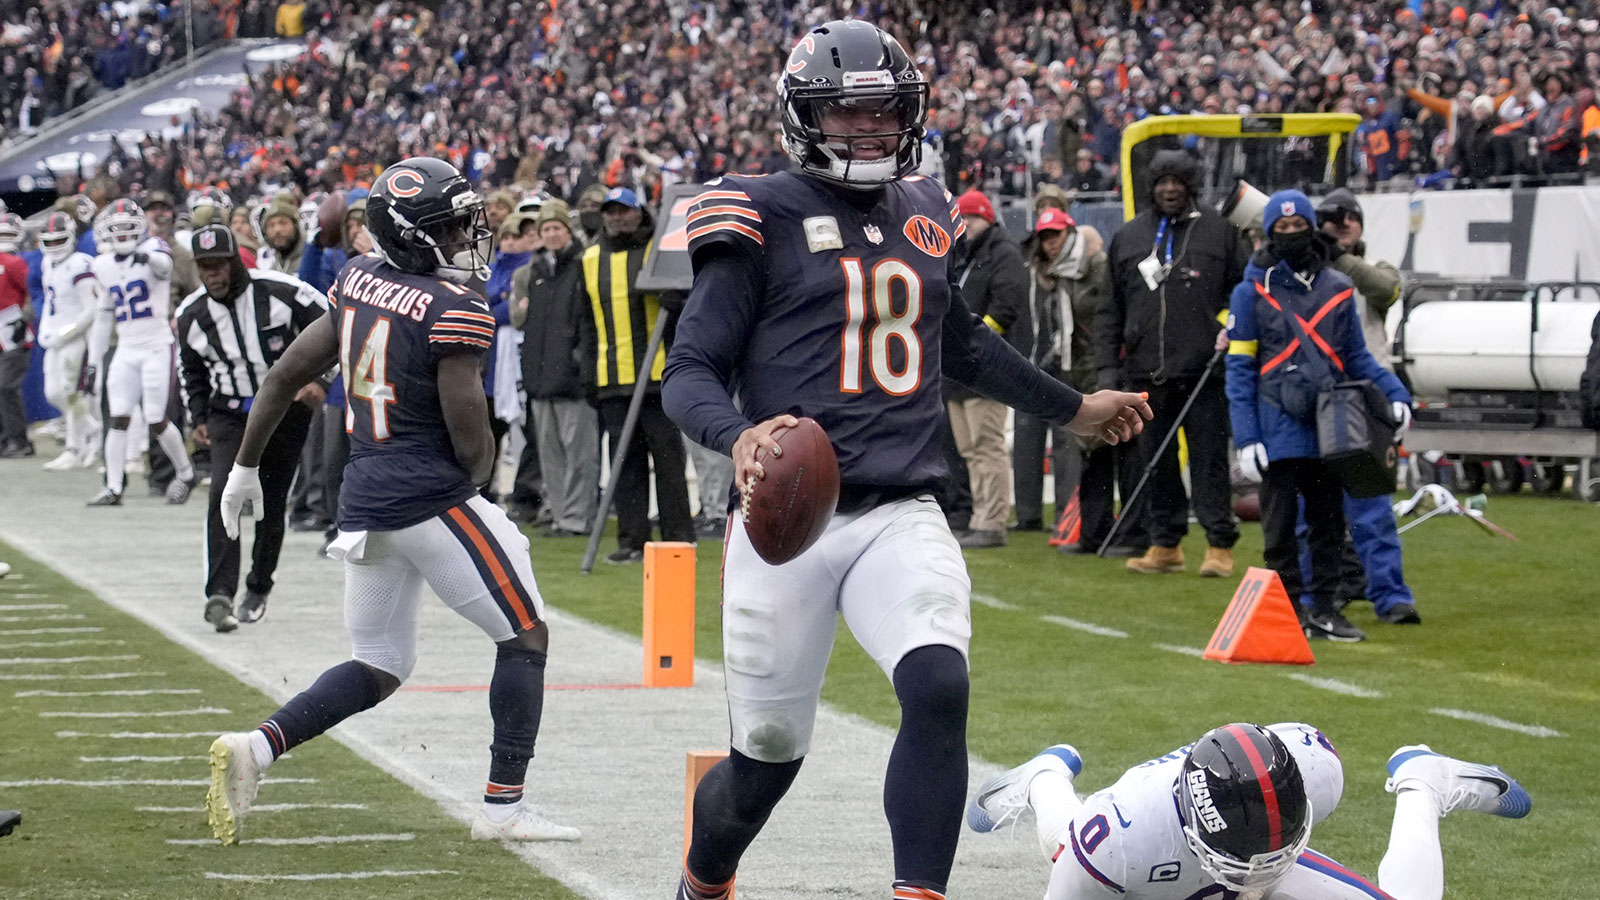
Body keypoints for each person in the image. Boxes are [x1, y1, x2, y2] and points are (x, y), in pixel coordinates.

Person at [661, 22, 1151, 900]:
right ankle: (706, 873)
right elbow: (688, 369)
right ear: (804, 118)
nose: (869, 131)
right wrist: (738, 436)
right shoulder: (755, 209)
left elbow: (959, 342)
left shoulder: (924, 207)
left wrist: (1075, 408)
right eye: (845, 115)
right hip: (786, 525)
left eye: (884, 112)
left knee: (937, 686)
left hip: (900, 509)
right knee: (764, 764)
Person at [204, 157, 578, 846]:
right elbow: (473, 444)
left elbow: (286, 373)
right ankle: (502, 808)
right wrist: (477, 479)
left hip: (364, 499)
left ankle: (255, 749)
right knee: (525, 634)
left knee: (379, 662)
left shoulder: (355, 278)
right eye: (453, 224)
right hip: (428, 497)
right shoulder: (453, 306)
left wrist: (243, 469)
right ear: (412, 234)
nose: (469, 232)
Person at [966, 722, 1530, 900]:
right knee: (1067, 849)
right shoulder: (1120, 837)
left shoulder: (1317, 772)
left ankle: (1421, 782)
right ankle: (1044, 777)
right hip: (1146, 859)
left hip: (1236, 851)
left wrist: (1261, 863)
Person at [1225, 192, 1412, 643]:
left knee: (1329, 525)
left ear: (1311, 228)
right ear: (1269, 233)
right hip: (1276, 425)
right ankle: (1289, 611)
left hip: (1329, 427)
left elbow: (1357, 358)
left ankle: (1325, 610)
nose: (1291, 234)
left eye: (1298, 227)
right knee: (1280, 530)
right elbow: (1240, 369)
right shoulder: (1250, 293)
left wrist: (1395, 393)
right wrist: (1247, 436)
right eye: (1281, 229)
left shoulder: (1338, 289)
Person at [176, 225, 328, 633]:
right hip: (231, 412)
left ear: (235, 263)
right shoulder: (191, 315)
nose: (213, 275)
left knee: (270, 500)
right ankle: (219, 594)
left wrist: (322, 380)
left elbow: (336, 328)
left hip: (285, 408)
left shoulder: (285, 292)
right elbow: (191, 370)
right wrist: (199, 417)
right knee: (224, 494)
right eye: (204, 267)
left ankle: (258, 585)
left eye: (219, 265)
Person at [1098, 149, 1242, 577]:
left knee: (1209, 460)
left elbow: (1241, 293)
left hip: (1204, 373)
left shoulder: (1221, 232)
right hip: (1145, 373)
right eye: (1162, 181)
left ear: (1192, 184)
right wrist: (1107, 371)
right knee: (1153, 461)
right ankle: (1166, 544)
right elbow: (1110, 309)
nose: (1170, 189)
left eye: (1178, 181)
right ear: (1151, 186)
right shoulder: (1128, 236)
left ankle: (1219, 545)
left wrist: (1227, 328)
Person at [1310, 190, 1419, 627]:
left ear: (1361, 224)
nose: (1340, 223)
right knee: (1316, 508)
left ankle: (1391, 596)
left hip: (1368, 398)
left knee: (1373, 506)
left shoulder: (1378, 269)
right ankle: (1327, 593)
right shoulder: (1303, 272)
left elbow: (1386, 291)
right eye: (1330, 218)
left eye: (1349, 217)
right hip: (1319, 398)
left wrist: (1332, 255)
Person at [577, 186, 694, 563]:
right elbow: (585, 324)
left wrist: (678, 303)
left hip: (660, 375)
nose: (617, 217)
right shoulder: (590, 258)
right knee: (624, 464)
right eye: (610, 211)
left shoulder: (660, 254)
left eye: (624, 211)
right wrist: (588, 375)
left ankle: (678, 537)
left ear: (641, 214)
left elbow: (689, 307)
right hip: (612, 376)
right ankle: (632, 541)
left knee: (668, 461)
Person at [1020, 209, 1139, 556]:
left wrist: (1111, 368)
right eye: (1044, 237)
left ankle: (1131, 533)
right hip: (1077, 371)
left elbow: (1111, 318)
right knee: (1091, 456)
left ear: (1069, 233)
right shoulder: (1057, 277)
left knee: (1123, 451)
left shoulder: (1097, 266)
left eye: (1054, 234)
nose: (1049, 243)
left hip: (1106, 369)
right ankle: (1094, 533)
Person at [84, 200, 197, 506]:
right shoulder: (103, 265)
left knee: (156, 418)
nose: (121, 233)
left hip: (157, 345)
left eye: (126, 226)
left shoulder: (154, 248)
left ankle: (186, 474)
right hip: (126, 347)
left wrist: (142, 254)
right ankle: (114, 486)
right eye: (115, 228)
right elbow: (104, 314)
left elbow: (164, 266)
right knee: (118, 416)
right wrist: (94, 362)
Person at [947, 188, 1029, 549]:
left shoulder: (1003, 253)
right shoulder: (963, 257)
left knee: (987, 444)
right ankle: (980, 515)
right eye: (961, 218)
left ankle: (993, 520)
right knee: (969, 449)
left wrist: (973, 343)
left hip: (984, 369)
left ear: (988, 218)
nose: (965, 225)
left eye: (972, 218)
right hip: (958, 371)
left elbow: (1006, 306)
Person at [512, 198, 596, 537]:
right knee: (550, 454)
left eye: (556, 228)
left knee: (579, 455)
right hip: (540, 376)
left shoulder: (583, 264)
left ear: (567, 229)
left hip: (572, 377)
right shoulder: (535, 272)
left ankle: (578, 517)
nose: (551, 234)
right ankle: (562, 515)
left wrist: (580, 361)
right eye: (545, 229)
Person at [35, 212, 103, 470]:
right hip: (54, 336)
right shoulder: (47, 263)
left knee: (72, 393)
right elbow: (52, 303)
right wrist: (46, 331)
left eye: (58, 240)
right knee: (53, 393)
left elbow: (91, 309)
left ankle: (74, 448)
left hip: (75, 337)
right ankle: (94, 429)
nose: (53, 246)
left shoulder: (81, 264)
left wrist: (66, 333)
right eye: (48, 241)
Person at [0, 214, 34, 459]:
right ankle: (6, 439)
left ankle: (19, 440)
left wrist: (24, 319)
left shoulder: (13, 263)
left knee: (6, 387)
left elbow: (33, 291)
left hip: (13, 332)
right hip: (3, 334)